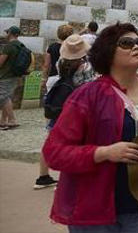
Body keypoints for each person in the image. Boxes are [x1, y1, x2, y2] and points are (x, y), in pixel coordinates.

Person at [42, 22, 138, 231]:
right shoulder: (87, 95)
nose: (137, 46)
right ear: (108, 51)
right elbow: (54, 152)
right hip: (95, 210)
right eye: (127, 43)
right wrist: (104, 152)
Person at [36, 31, 88, 190]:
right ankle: (66, 181)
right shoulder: (85, 67)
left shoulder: (61, 63)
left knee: (51, 140)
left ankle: (43, 176)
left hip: (59, 104)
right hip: (75, 108)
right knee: (74, 145)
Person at [0, 26, 25, 130]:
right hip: (15, 75)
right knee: (7, 97)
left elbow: (1, 62)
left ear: (10, 33)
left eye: (7, 32)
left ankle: (12, 120)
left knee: (3, 97)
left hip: (5, 75)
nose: (6, 34)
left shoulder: (9, 46)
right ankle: (3, 121)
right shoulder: (21, 45)